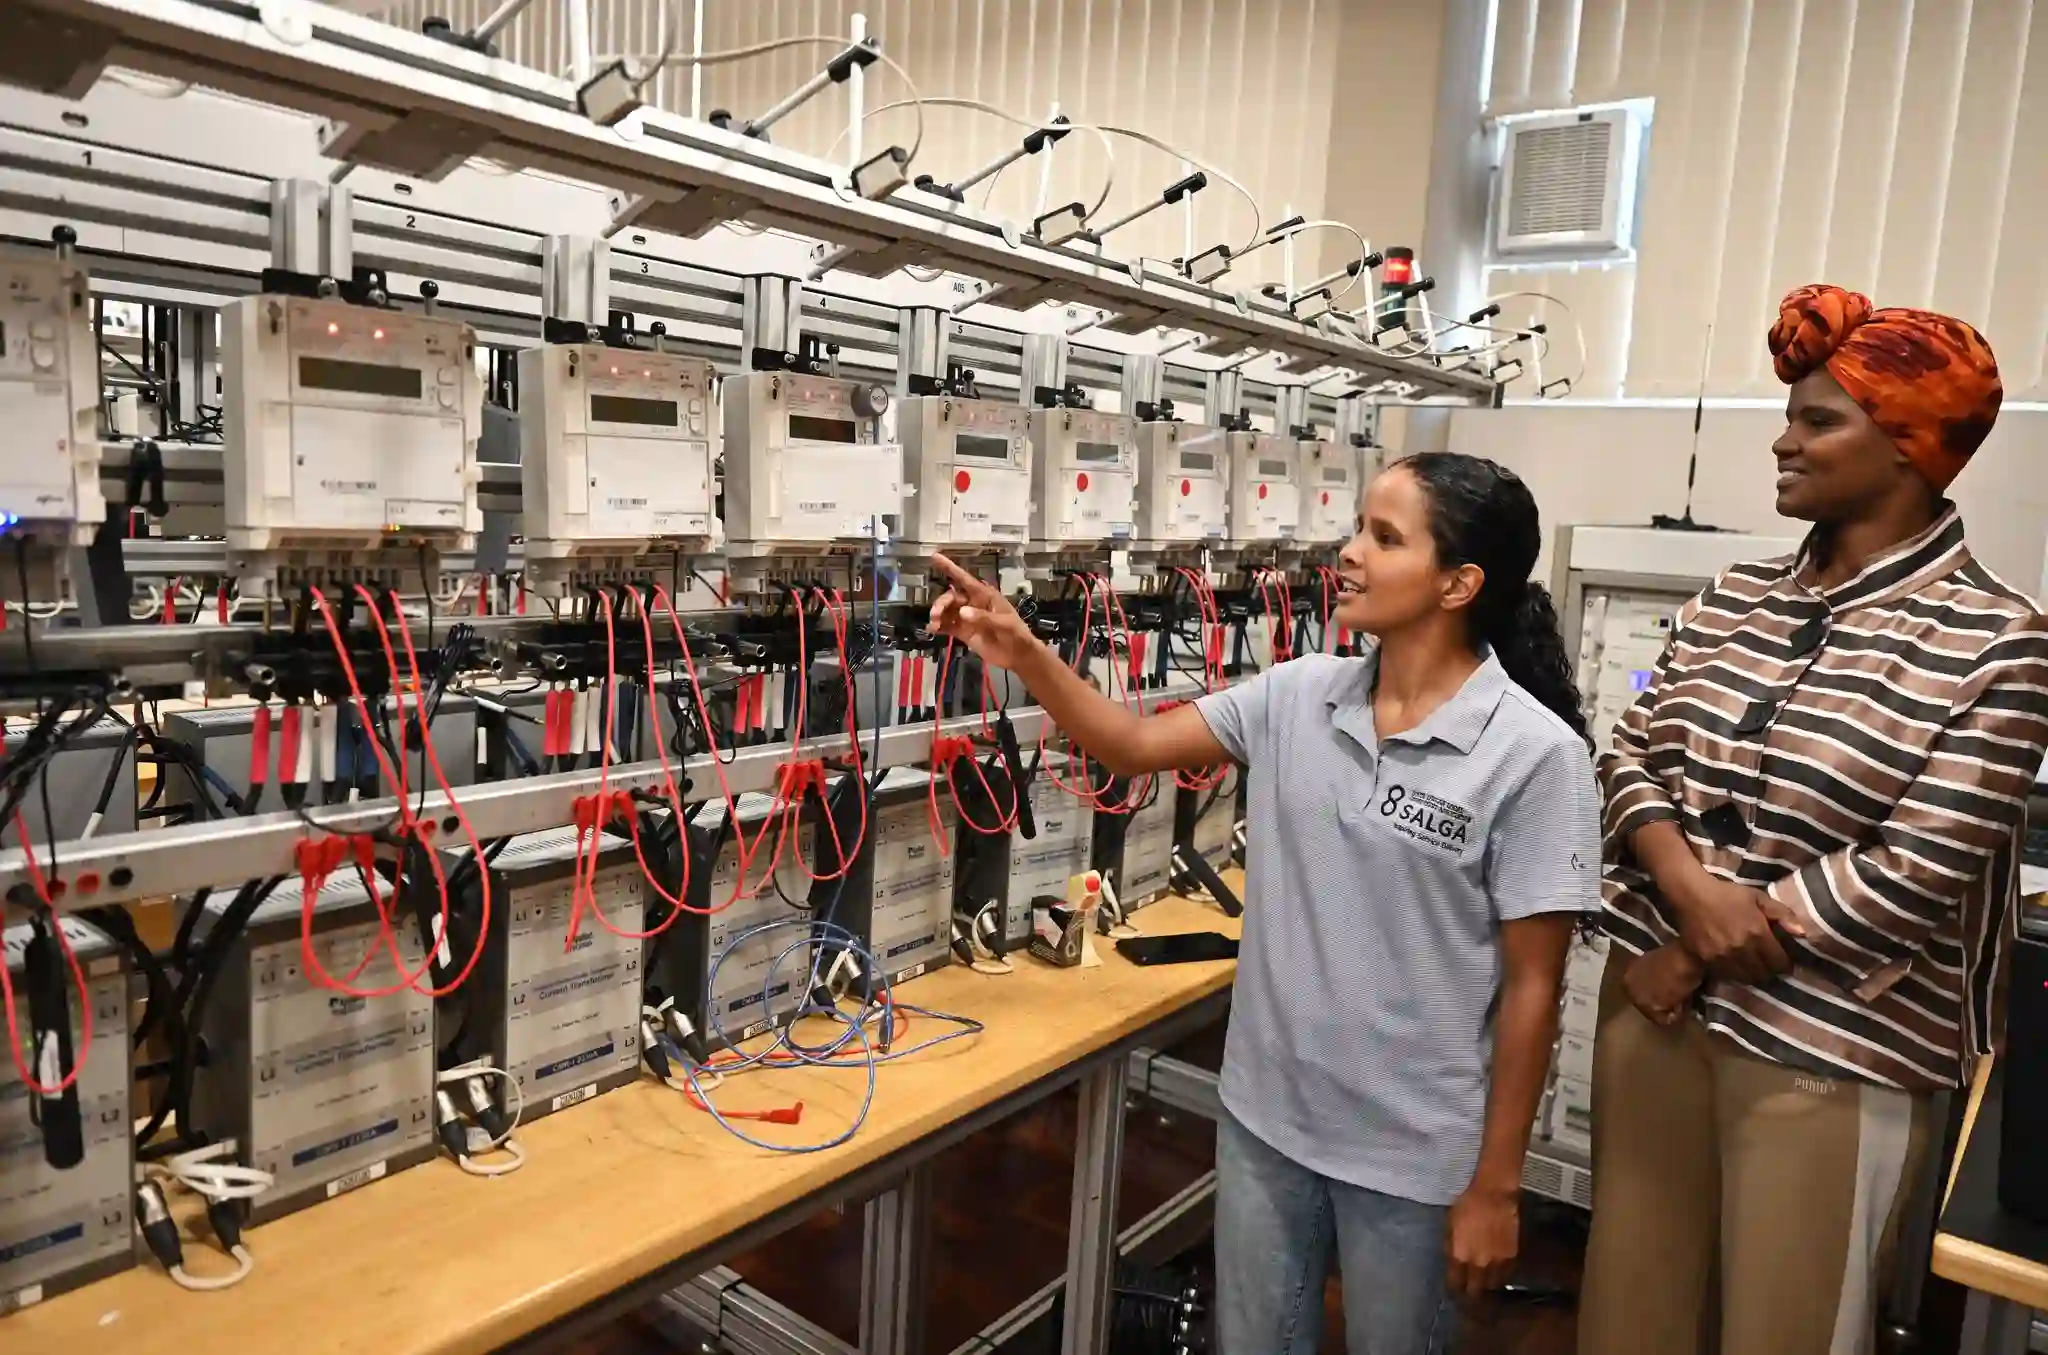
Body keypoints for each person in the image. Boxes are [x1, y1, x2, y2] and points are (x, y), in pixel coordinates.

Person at [927, 452, 1602, 1354]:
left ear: (1459, 583)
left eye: (1384, 536)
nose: (1349, 552)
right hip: (1266, 1121)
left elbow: (1532, 990)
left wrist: (1496, 1186)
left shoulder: (1534, 755)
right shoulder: (1298, 694)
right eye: (1358, 526)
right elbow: (1128, 743)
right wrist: (1022, 650)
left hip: (1413, 1156)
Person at [1578, 285, 2048, 1354]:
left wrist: (1687, 951)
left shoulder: (1997, 644)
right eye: (1787, 414)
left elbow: (1904, 876)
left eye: (1815, 420)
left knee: (1785, 1329)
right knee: (1626, 1312)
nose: (1781, 442)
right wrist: (1688, 893)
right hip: (1649, 1014)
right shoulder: (1728, 594)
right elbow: (1628, 746)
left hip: (1828, 1050)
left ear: (1907, 446)